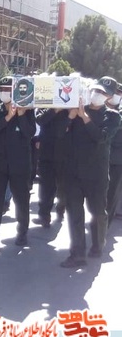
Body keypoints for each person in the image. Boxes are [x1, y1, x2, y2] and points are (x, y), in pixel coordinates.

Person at [60, 76, 120, 268]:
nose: (97, 94)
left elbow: (100, 137)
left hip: (96, 175)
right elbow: (60, 135)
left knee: (98, 213)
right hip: (74, 172)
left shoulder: (112, 116)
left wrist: (84, 117)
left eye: (102, 92)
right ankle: (77, 254)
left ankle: (97, 245)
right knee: (75, 214)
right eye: (96, 90)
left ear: (109, 97)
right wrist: (71, 117)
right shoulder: (77, 111)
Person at [0, 76, 36, 252]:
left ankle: (22, 233)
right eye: (2, 89)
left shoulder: (27, 110)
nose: (4, 92)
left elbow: (30, 133)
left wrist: (21, 115)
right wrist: (8, 117)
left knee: (21, 201)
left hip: (20, 164)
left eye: (8, 89)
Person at [33, 107, 69, 227]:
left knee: (62, 186)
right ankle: (44, 215)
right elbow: (40, 120)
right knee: (45, 186)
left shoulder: (69, 107)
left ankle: (60, 209)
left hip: (64, 152)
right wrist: (54, 110)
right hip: (46, 152)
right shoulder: (45, 104)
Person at [106, 83, 122, 228]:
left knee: (111, 194)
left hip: (116, 159)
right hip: (99, 158)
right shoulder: (101, 108)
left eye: (119, 93)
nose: (116, 95)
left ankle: (104, 225)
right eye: (115, 92)